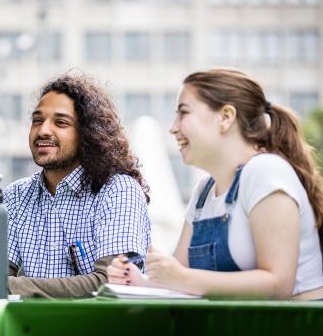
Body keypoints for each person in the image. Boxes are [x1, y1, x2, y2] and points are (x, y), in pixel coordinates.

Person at [107, 68, 323, 300]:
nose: (173, 128)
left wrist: (181, 278)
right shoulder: (204, 190)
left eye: (184, 113)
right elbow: (177, 278)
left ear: (226, 117)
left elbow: (279, 284)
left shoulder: (266, 171)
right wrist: (138, 280)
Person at [0, 74, 151, 297]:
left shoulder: (118, 190)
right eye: (37, 120)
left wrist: (6, 285)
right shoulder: (15, 196)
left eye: (61, 122)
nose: (43, 130)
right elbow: (0, 277)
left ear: (88, 134)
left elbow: (112, 284)